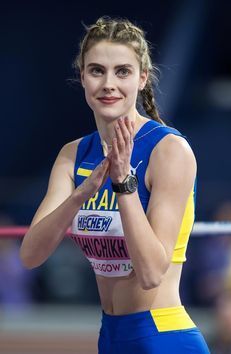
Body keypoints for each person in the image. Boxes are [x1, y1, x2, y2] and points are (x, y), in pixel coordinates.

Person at [20, 16, 210, 354]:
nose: (109, 84)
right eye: (97, 71)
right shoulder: (74, 154)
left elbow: (151, 273)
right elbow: (31, 255)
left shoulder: (169, 150)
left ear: (142, 78)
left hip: (163, 336)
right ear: (82, 78)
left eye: (122, 71)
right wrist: (80, 195)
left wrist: (124, 183)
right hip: (110, 337)